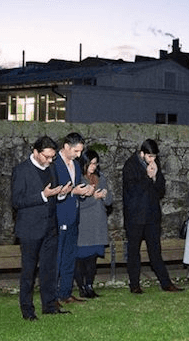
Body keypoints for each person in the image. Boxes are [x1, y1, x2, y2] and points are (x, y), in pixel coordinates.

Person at [11, 136, 68, 321]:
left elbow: (53, 196)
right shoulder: (21, 170)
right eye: (46, 156)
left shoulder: (51, 168)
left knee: (49, 269)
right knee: (28, 271)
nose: (50, 160)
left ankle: (50, 306)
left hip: (51, 227)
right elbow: (16, 201)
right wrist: (42, 195)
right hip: (30, 229)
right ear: (35, 152)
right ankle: (27, 310)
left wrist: (60, 194)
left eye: (52, 157)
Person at [122, 139, 183, 293]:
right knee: (134, 252)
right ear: (142, 154)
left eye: (154, 157)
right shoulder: (130, 165)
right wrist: (147, 177)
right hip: (135, 217)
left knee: (155, 251)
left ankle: (166, 283)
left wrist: (155, 177)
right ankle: (134, 285)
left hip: (152, 217)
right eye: (149, 156)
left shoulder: (155, 165)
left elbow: (161, 190)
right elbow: (132, 190)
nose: (152, 160)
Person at [53, 132, 95, 304]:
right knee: (57, 258)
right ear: (66, 147)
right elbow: (54, 189)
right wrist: (74, 191)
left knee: (70, 257)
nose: (79, 155)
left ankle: (65, 292)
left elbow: (75, 188)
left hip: (73, 217)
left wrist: (84, 192)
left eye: (80, 151)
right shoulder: (54, 163)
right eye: (76, 151)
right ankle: (52, 295)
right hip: (58, 216)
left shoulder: (76, 166)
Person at [75, 149, 113, 297]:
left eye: (95, 163)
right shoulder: (77, 178)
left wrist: (104, 196)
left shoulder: (100, 177)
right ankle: (81, 287)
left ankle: (89, 285)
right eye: (90, 163)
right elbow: (76, 203)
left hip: (98, 224)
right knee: (80, 258)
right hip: (83, 224)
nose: (93, 166)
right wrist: (93, 198)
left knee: (92, 258)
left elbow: (109, 201)